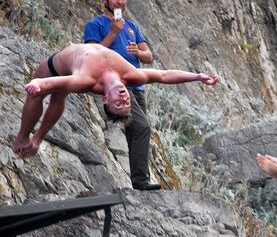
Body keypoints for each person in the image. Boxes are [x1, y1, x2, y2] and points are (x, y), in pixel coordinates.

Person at [11, 43, 219, 166]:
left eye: (118, 103)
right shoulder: (132, 76)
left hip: (54, 68)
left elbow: (47, 83)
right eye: (126, 102)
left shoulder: (86, 80)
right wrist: (197, 76)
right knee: (57, 96)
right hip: (71, 64)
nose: (124, 98)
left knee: (51, 95)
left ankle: (30, 139)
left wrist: (37, 84)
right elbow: (164, 75)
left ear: (105, 99)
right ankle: (28, 139)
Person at [84, 0, 157, 190]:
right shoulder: (95, 24)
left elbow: (149, 56)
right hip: (117, 83)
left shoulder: (132, 27)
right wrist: (113, 32)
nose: (119, 1)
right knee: (142, 127)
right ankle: (141, 182)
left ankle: (140, 180)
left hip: (137, 84)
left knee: (136, 132)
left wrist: (139, 52)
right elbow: (91, 54)